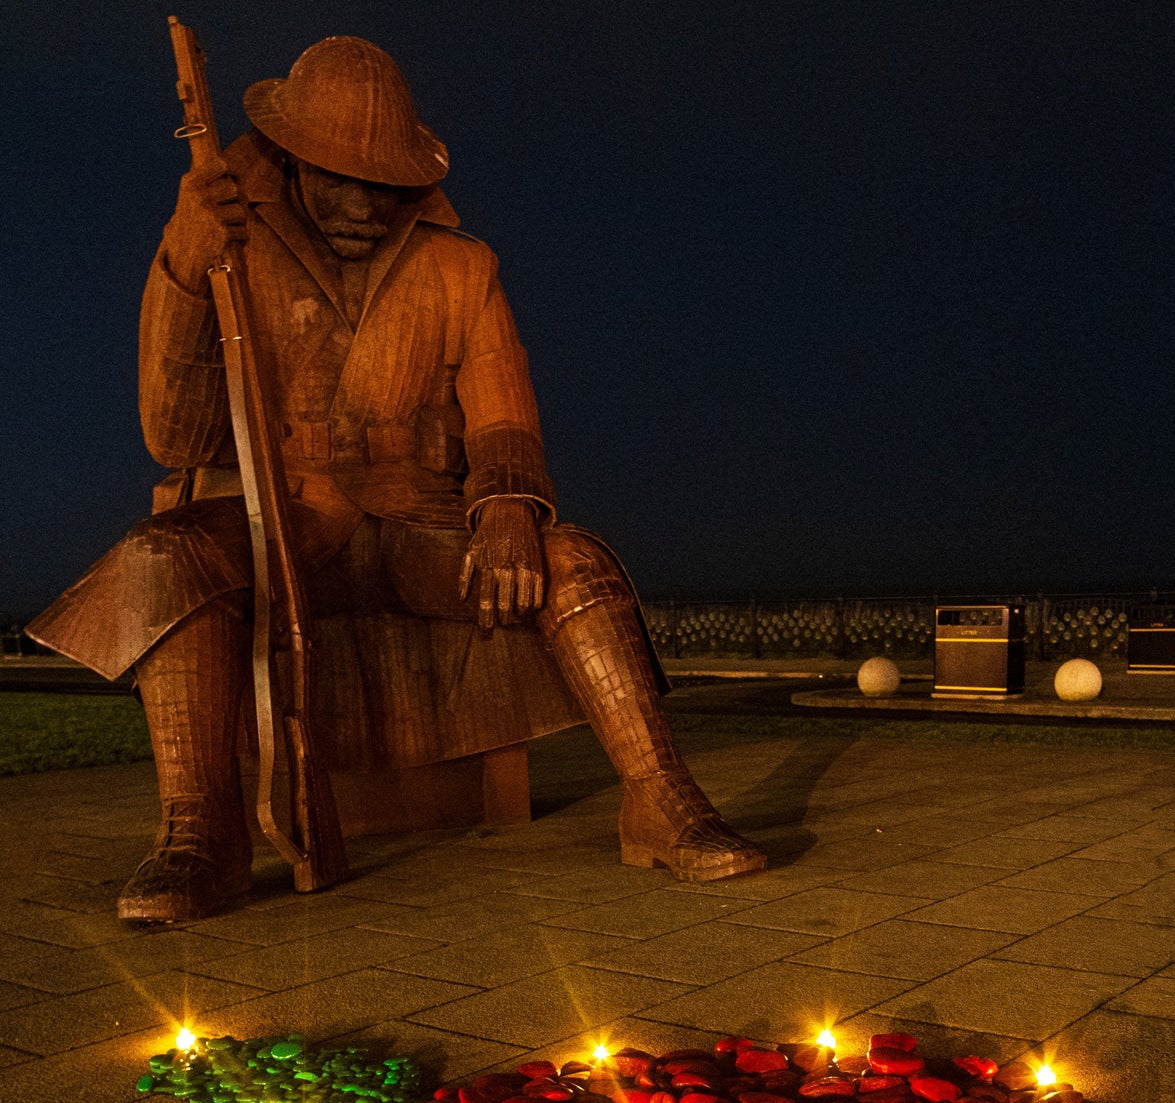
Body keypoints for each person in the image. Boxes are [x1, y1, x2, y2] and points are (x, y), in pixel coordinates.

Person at [27, 35, 765, 923]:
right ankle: (199, 831)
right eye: (337, 175)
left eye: (381, 181)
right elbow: (173, 434)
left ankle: (660, 798)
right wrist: (186, 260)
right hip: (285, 524)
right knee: (158, 561)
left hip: (420, 530)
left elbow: (503, 414)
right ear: (292, 159)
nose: (361, 204)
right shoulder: (225, 246)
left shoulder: (463, 268)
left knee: (576, 561)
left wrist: (505, 506)